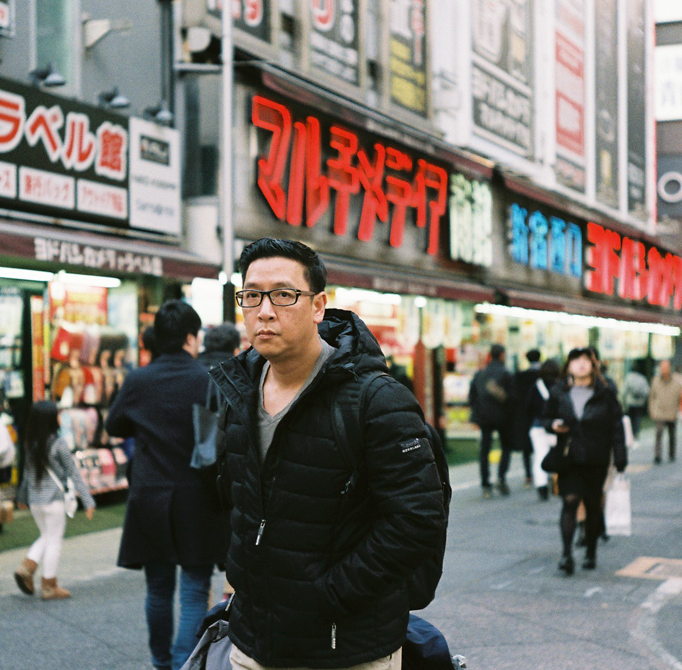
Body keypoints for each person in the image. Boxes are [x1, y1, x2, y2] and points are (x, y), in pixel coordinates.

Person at [210, 238, 445, 670]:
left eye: (284, 295)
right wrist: (239, 574)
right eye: (252, 296)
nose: (265, 311)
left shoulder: (376, 400)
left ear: (318, 306)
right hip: (253, 643)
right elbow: (237, 496)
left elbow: (417, 520)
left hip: (346, 648)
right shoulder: (239, 390)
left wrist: (330, 594)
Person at [107, 300, 229, 670]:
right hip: (197, 497)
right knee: (194, 590)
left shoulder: (138, 379)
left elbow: (114, 425)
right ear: (191, 337)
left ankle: (161, 662)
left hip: (150, 495)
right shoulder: (207, 379)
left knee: (158, 589)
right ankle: (182, 664)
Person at [543, 348, 627, 575]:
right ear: (568, 366)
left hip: (596, 458)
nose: (581, 364)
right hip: (569, 457)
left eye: (585, 360)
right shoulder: (559, 392)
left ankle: (591, 551)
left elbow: (616, 426)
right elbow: (546, 418)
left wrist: (620, 457)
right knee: (569, 501)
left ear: (593, 365)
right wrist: (553, 425)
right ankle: (566, 555)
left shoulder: (605, 393)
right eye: (575, 360)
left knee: (592, 505)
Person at [14, 401, 95, 600]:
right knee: (54, 541)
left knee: (46, 536)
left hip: (35, 501)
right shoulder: (59, 444)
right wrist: (88, 500)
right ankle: (49, 586)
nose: (60, 417)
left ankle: (27, 567)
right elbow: (73, 472)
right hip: (53, 500)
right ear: (50, 419)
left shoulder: (30, 443)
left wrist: (22, 497)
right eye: (57, 414)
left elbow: (27, 474)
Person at [468, 344, 515, 497]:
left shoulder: (480, 374)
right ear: (502, 355)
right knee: (506, 446)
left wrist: (477, 413)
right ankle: (501, 477)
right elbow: (512, 398)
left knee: (485, 449)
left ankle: (485, 484)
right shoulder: (506, 374)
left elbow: (472, 396)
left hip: (484, 417)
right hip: (503, 417)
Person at [528, 359, 562, 501]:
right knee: (560, 454)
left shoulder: (536, 386)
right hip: (557, 425)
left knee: (540, 456)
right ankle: (557, 482)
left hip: (538, 425)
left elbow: (529, 406)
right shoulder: (560, 386)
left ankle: (541, 486)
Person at [513, 349, 543, 488]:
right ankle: (542, 474)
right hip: (541, 413)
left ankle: (528, 475)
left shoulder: (520, 376)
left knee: (526, 447)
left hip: (524, 415)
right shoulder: (544, 374)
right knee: (541, 446)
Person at [648, 360, 682, 464]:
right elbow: (652, 397)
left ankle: (672, 453)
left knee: (672, 435)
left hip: (672, 412)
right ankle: (657, 455)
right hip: (659, 412)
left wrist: (679, 410)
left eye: (666, 367)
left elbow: (680, 398)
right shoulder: (655, 381)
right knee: (658, 433)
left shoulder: (676, 382)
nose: (664, 369)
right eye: (662, 367)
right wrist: (652, 410)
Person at [622, 363, 650, 439]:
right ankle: (636, 432)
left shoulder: (628, 377)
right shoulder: (642, 378)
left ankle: (630, 432)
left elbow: (624, 390)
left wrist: (624, 400)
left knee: (630, 418)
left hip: (630, 402)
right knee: (637, 418)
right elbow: (647, 391)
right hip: (639, 403)